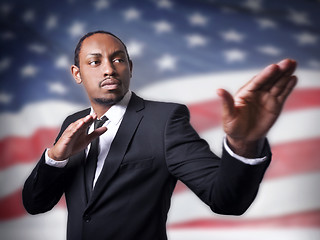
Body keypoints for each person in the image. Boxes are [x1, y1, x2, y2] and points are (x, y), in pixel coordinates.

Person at [22, 30, 297, 240]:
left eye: (117, 59)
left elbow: (227, 200)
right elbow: (35, 203)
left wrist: (244, 142)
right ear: (77, 73)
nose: (108, 68)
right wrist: (55, 157)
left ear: (129, 67)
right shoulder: (73, 124)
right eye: (95, 62)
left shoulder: (165, 121)